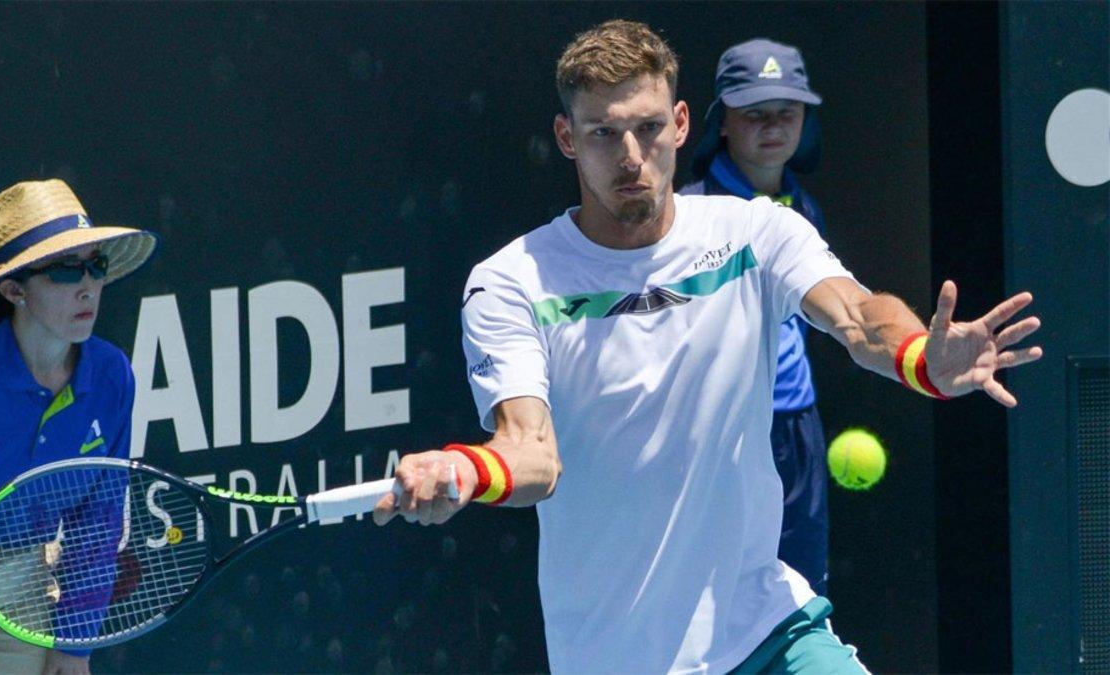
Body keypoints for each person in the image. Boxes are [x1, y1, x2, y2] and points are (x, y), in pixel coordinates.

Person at [373, 19, 1041, 674]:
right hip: (617, 654)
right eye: (604, 132)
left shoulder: (753, 232)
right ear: (567, 138)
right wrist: (462, 470)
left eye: (648, 127)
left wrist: (922, 358)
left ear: (683, 123)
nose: (631, 155)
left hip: (766, 627)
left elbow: (860, 318)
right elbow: (532, 454)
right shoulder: (511, 281)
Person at [0, 179, 158, 675]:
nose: (88, 285)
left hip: (21, 586)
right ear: (14, 290)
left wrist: (74, 643)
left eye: (96, 265)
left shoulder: (111, 377)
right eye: (67, 270)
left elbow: (97, 519)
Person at [680, 38, 831, 595]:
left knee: (802, 592)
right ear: (723, 123)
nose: (773, 126)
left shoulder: (805, 208)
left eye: (786, 113)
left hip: (798, 426)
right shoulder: (690, 213)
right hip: (722, 435)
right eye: (754, 114)